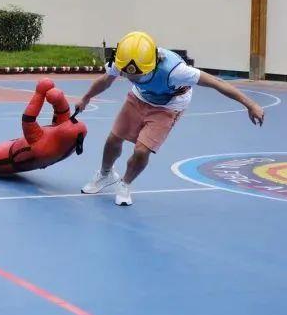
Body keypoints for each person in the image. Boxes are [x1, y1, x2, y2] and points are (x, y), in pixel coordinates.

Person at [77, 31, 265, 206]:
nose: (131, 78)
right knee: (113, 139)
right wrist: (86, 98)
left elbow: (216, 82)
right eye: (128, 75)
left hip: (169, 105)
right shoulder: (122, 60)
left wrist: (251, 104)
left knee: (142, 151)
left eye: (137, 75)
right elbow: (105, 80)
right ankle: (105, 174)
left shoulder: (176, 71)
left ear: (151, 65)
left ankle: (125, 183)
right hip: (140, 97)